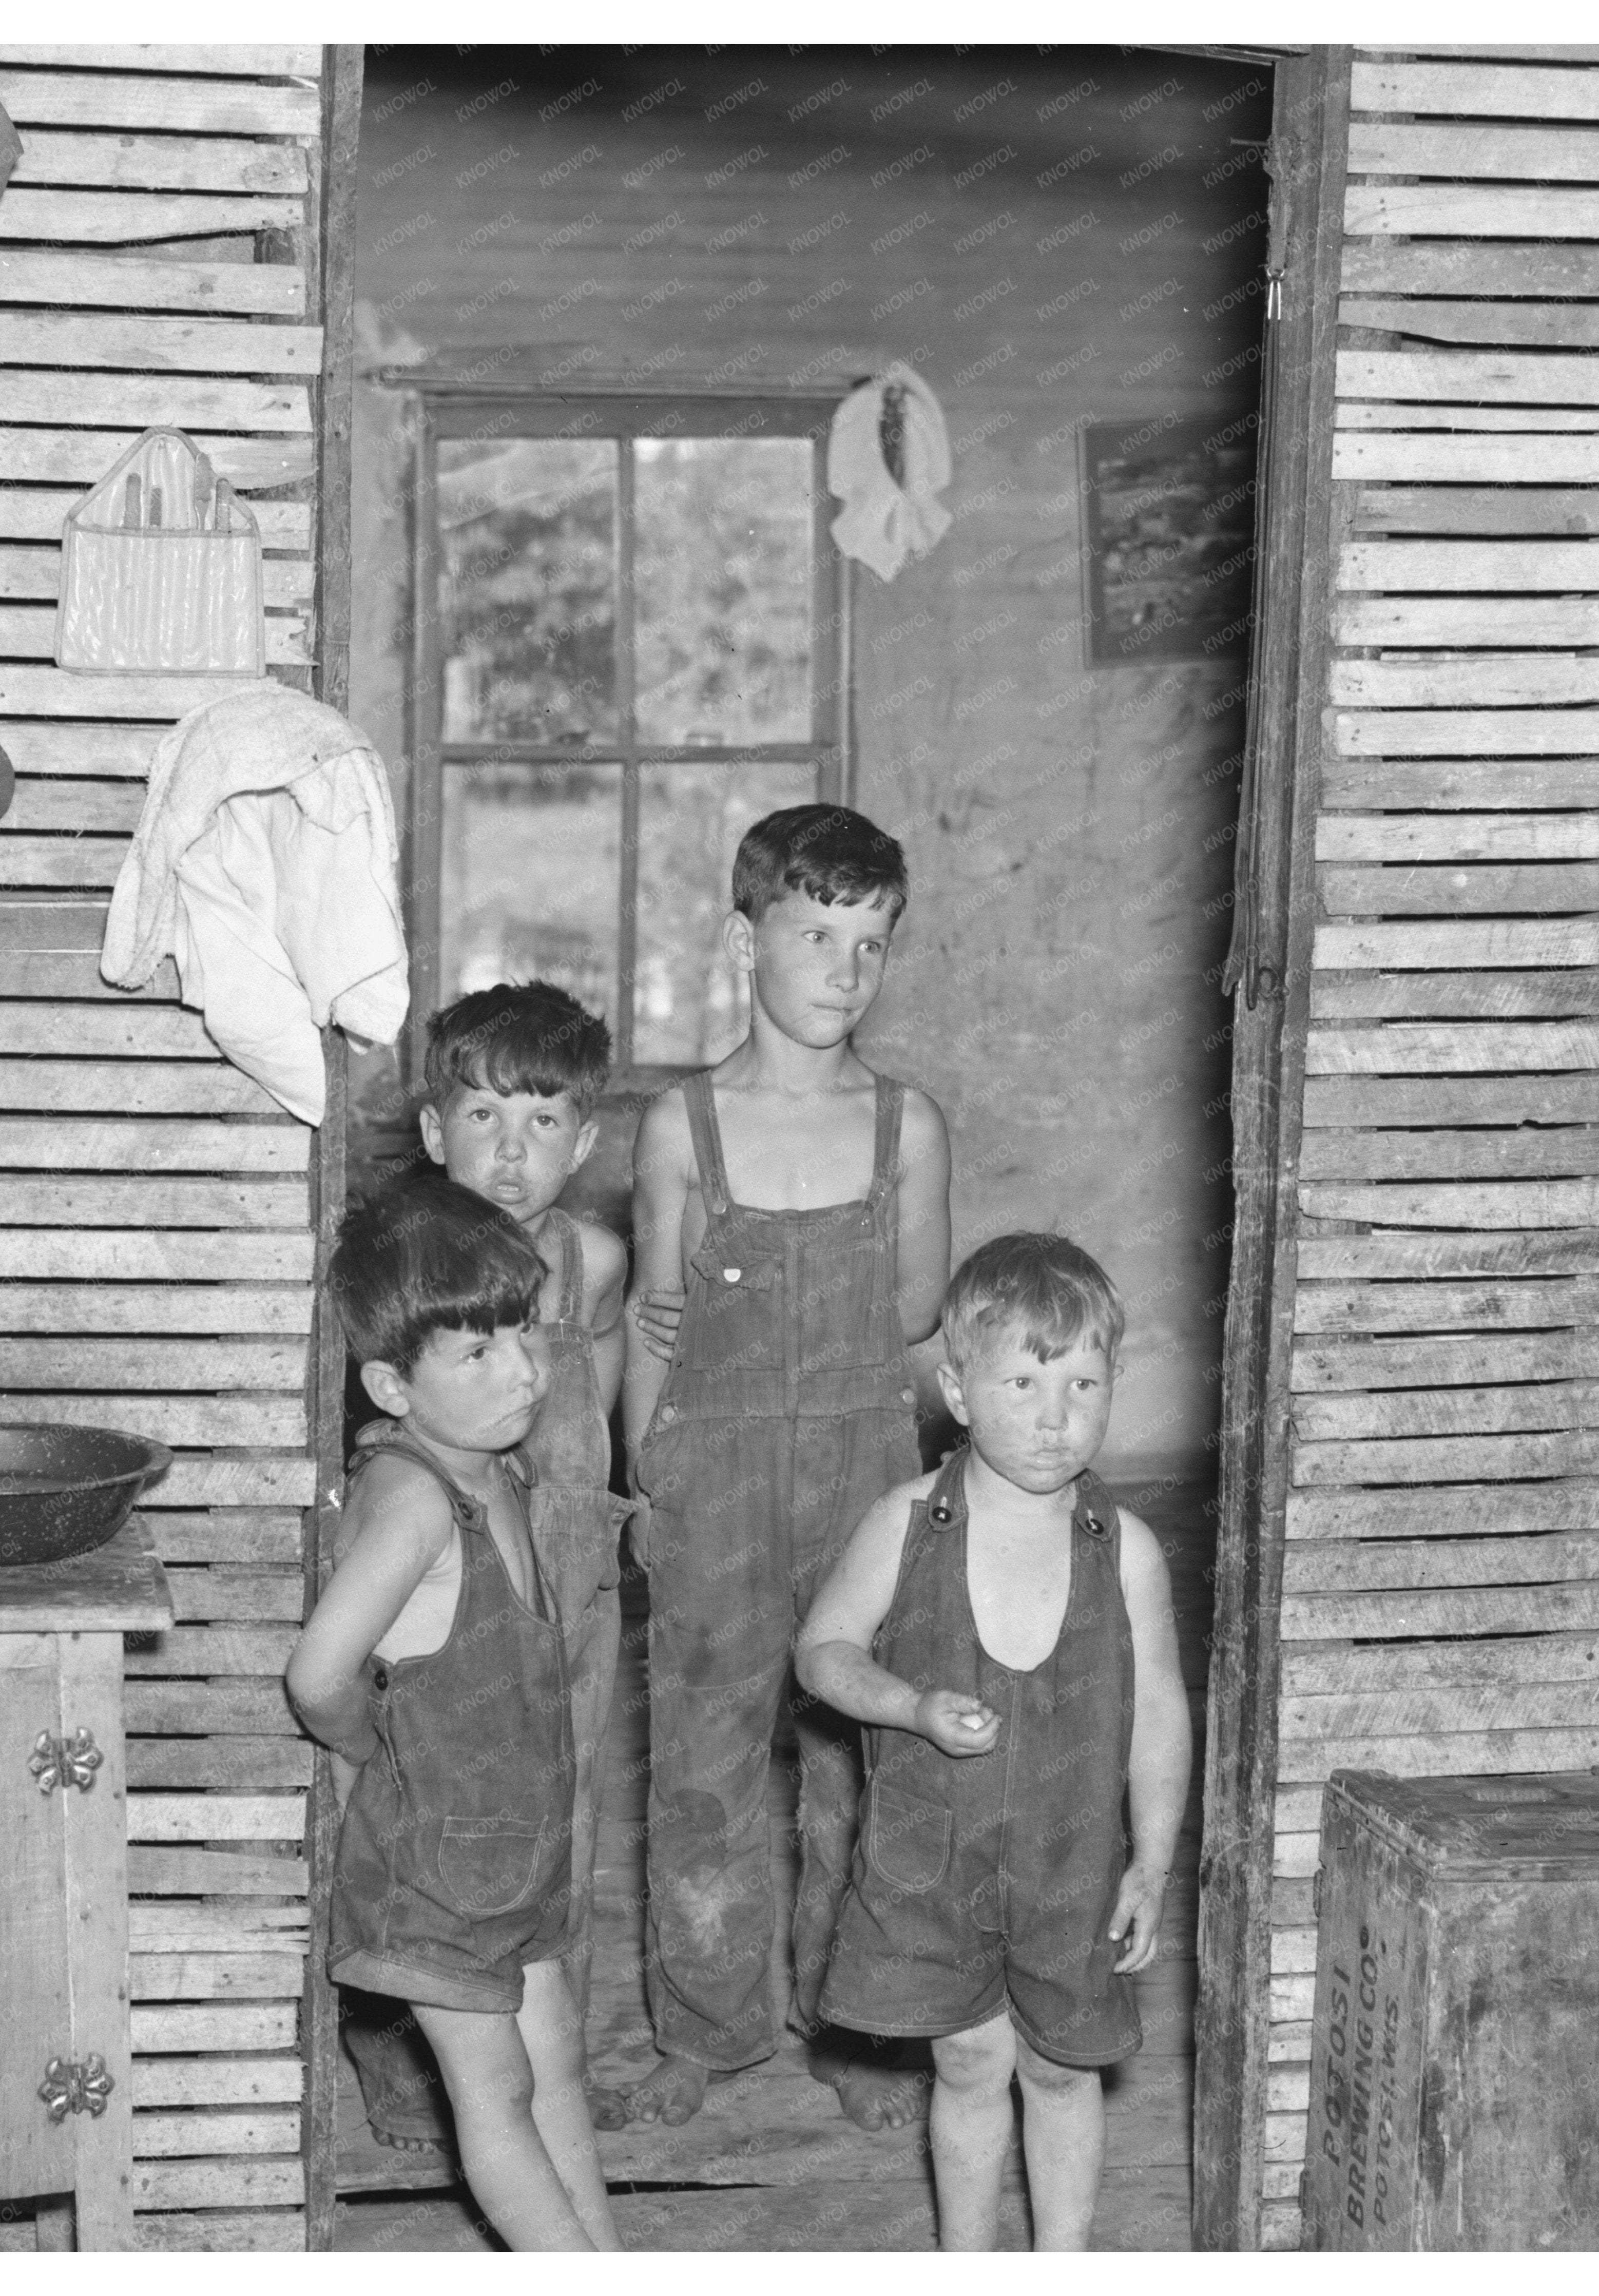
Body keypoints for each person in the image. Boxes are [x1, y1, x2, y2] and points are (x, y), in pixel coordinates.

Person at [615, 804, 953, 2131]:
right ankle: (702, 2026)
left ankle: (854, 2024)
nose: (841, 969)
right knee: (698, 1761)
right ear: (741, 937)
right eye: (814, 934)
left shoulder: (905, 1128)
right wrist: (646, 1482)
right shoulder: (676, 1128)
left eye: (869, 942)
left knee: (856, 1756)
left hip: (867, 1467)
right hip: (711, 1470)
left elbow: (918, 1316)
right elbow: (654, 1323)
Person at [795, 1233, 1192, 2250]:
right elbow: (820, 1653)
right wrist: (907, 1704)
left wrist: (1150, 1857)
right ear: (958, 1391)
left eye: (1082, 1381)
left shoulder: (1126, 1549)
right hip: (933, 1858)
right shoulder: (906, 1521)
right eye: (1022, 1379)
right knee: (968, 2063)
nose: (1056, 1414)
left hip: (1069, 1866)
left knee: (1061, 2067)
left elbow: (1155, 1712)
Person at [286, 1173, 622, 2249]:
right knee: (497, 2093)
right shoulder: (413, 1499)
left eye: (521, 1330)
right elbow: (317, 1672)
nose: (522, 1367)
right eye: (474, 1352)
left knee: (555, 2066)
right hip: (436, 1870)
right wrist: (367, 1752)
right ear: (389, 1383)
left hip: (512, 1853)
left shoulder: (493, 1465)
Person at [341, 983, 634, 2150]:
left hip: (563, 1566)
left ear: (587, 1136)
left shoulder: (596, 1255)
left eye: (543, 1121)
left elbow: (591, 1397)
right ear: (430, 1131)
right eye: (481, 1119)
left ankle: (542, 2051)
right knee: (421, 1814)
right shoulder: (402, 1260)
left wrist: (602, 1517)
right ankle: (409, 2071)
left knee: (561, 1806)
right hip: (448, 1597)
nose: (511, 1155)